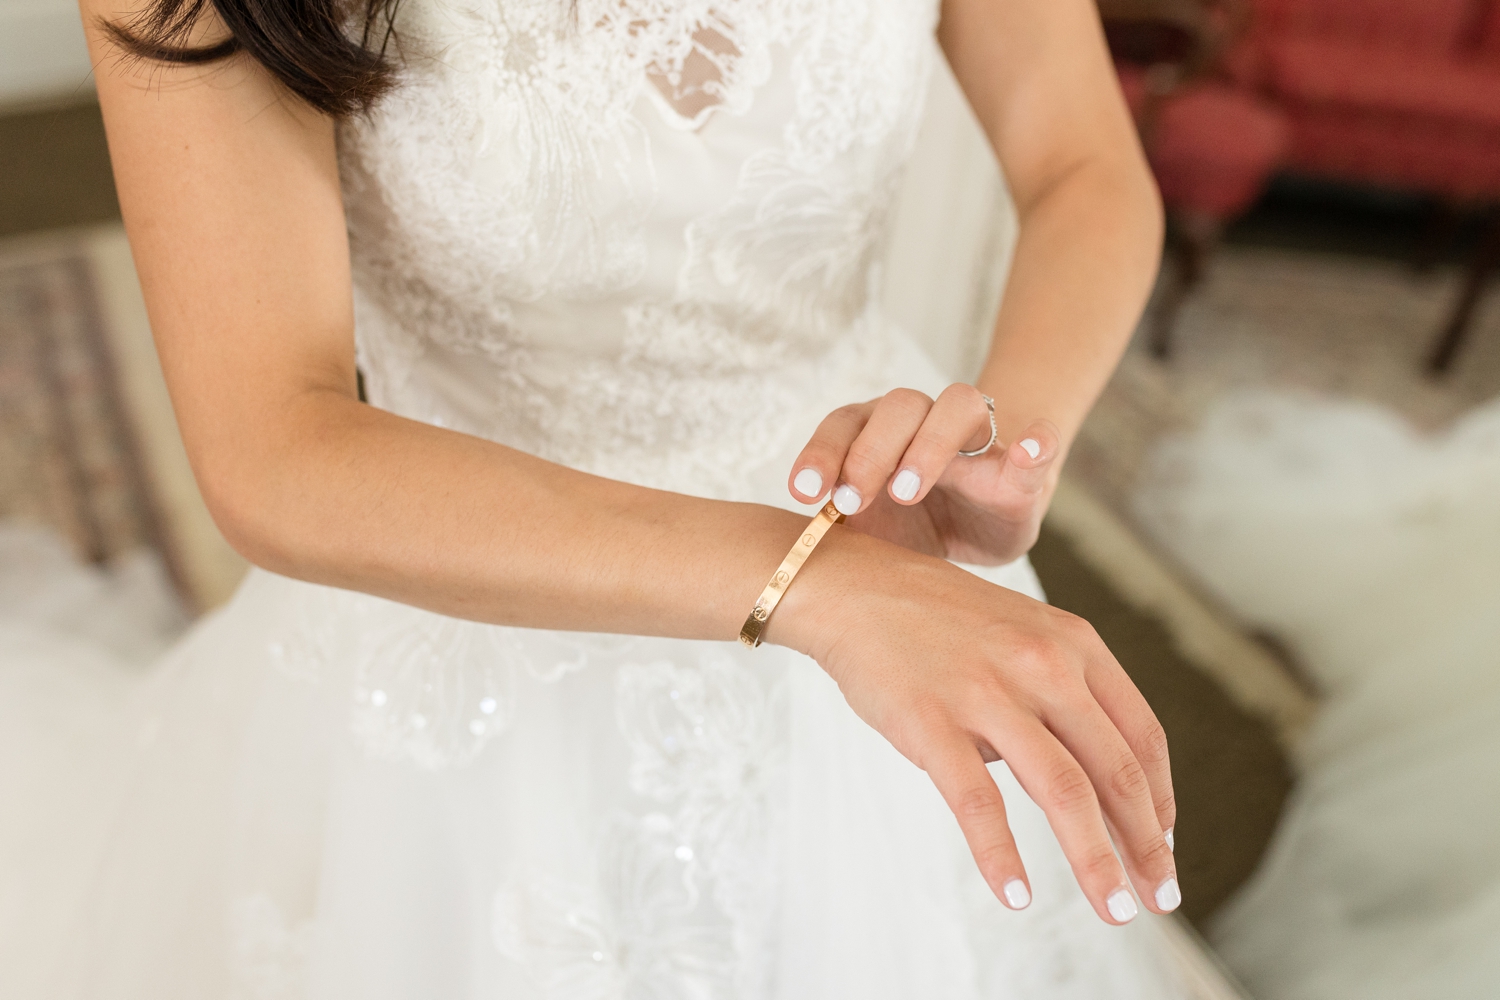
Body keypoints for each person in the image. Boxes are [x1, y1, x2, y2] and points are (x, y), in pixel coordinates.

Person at [1, 0, 1200, 995]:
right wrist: (821, 586)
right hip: (462, 618)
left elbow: (1083, 161)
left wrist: (1012, 435)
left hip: (899, 583)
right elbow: (275, 447)